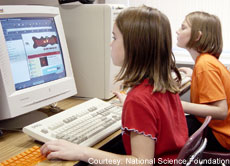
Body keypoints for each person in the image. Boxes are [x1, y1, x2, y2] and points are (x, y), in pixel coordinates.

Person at [40, 6, 188, 165]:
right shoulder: (164, 83)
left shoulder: (139, 99)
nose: (111, 44)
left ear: (134, 46)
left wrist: (81, 151)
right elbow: (156, 115)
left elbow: (142, 162)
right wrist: (134, 110)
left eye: (115, 37)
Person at [177, 11, 230, 152]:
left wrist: (177, 104)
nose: (177, 31)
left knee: (164, 129)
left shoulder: (205, 65)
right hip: (219, 130)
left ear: (197, 36)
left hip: (221, 136)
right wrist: (194, 75)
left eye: (183, 27)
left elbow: (221, 111)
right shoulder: (207, 62)